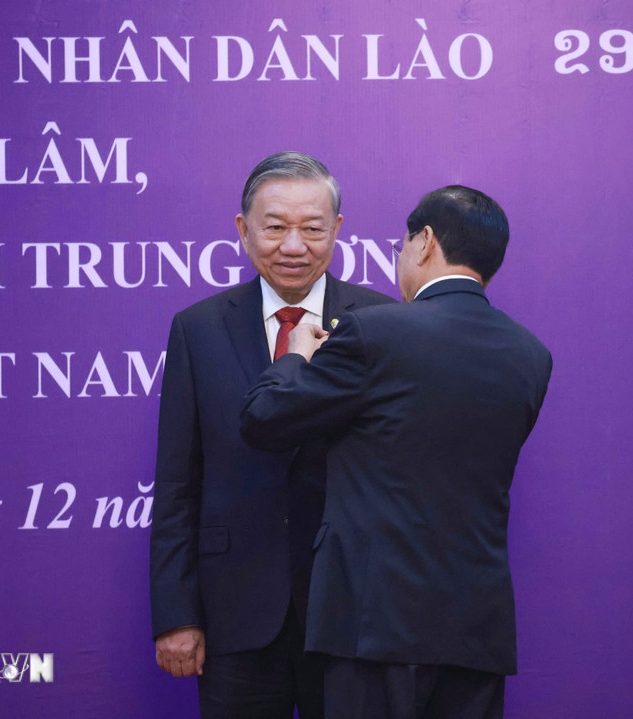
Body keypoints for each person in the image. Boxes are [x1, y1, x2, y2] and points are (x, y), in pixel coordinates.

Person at [240, 185, 553, 719]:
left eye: (400, 245)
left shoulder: (374, 331)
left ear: (424, 242)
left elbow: (265, 419)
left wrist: (296, 357)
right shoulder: (531, 355)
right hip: (475, 631)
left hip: (375, 626)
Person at [150, 152, 392, 718]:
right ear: (243, 230)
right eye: (275, 226)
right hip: (235, 612)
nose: (293, 245)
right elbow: (178, 482)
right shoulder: (198, 328)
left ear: (336, 230)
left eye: (311, 228)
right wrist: (177, 614)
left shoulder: (381, 322)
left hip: (352, 613)